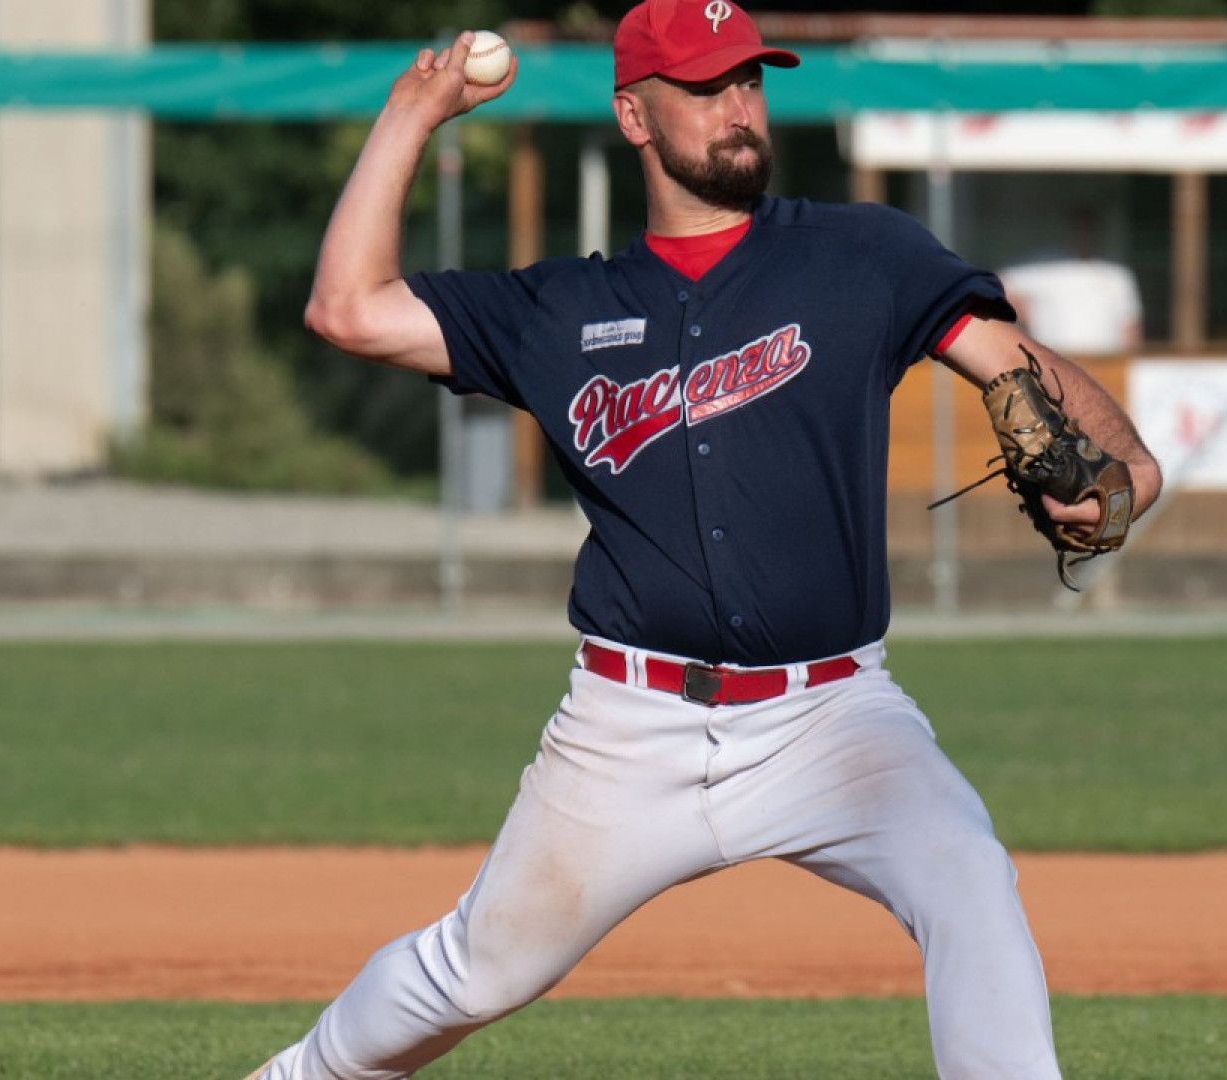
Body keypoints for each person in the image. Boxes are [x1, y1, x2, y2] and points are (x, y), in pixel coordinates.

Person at [247, 2, 1160, 1077]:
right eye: (704, 86)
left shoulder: (861, 254)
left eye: (748, 81)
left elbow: (1015, 361)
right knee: (475, 973)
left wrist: (1129, 467)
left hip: (834, 716)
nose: (737, 106)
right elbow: (347, 309)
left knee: (965, 871)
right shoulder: (562, 306)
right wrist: (413, 113)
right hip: (627, 727)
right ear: (634, 116)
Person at [997, 207, 1143, 355]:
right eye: (1080, 229)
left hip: (1107, 363)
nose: (1084, 235)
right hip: (1055, 360)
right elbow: (1000, 283)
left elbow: (1130, 328)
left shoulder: (1117, 274)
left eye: (1089, 228)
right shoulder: (1046, 265)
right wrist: (1028, 318)